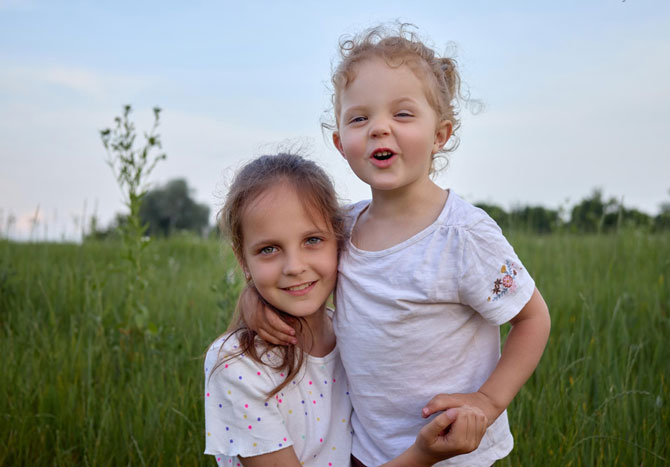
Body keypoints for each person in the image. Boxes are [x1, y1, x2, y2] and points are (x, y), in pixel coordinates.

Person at [244, 25, 551, 467]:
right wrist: (255, 299)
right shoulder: (341, 227)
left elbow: (532, 317)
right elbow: (300, 280)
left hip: (452, 450)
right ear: (340, 144)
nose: (379, 129)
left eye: (403, 115)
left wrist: (487, 401)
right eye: (359, 118)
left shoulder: (463, 235)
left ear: (440, 134)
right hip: (367, 450)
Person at [205, 153, 490, 467]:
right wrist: (422, 457)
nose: (294, 267)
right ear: (243, 259)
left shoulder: (355, 331)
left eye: (312, 240)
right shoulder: (238, 366)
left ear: (341, 240)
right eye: (268, 249)